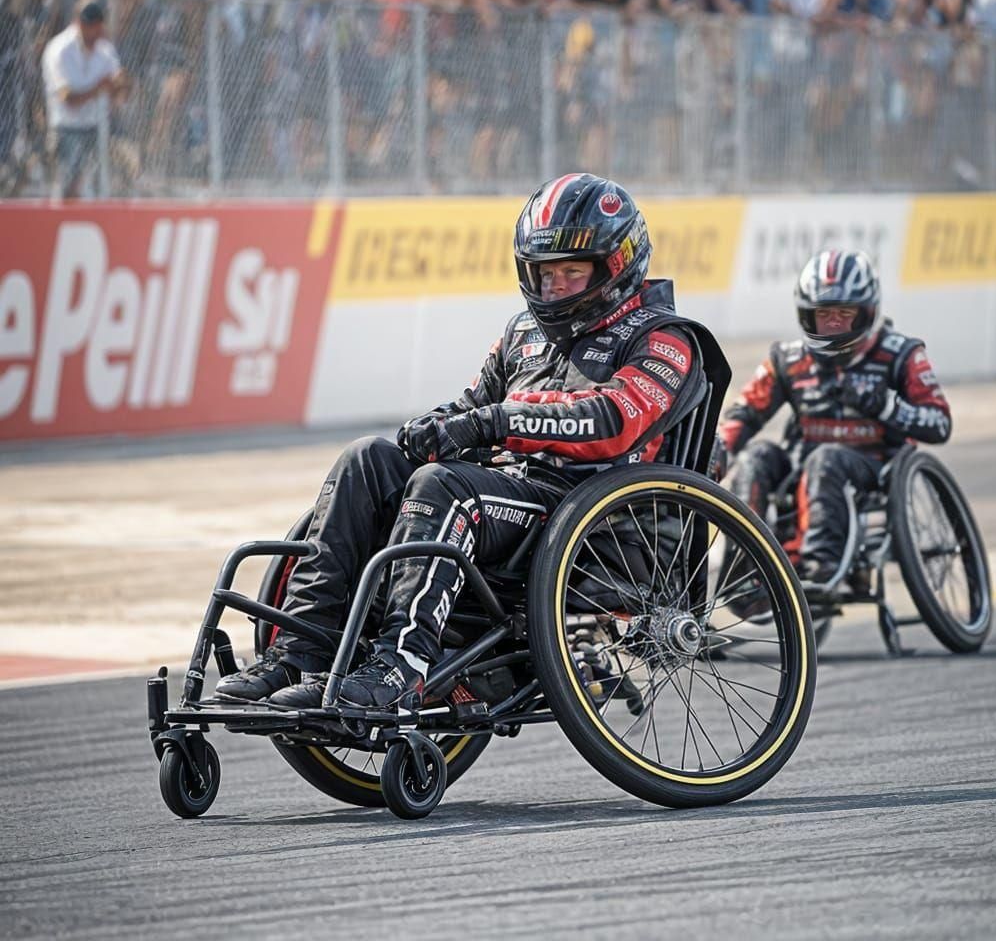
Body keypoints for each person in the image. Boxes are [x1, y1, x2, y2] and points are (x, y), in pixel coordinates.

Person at [216, 173, 726, 710]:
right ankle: (301, 649)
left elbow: (613, 419)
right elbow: (471, 405)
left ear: (616, 265)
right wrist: (435, 427)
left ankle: (400, 667)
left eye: (571, 274)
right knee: (367, 459)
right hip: (509, 505)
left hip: (590, 522)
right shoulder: (521, 334)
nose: (553, 289)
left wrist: (497, 422)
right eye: (543, 275)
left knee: (444, 486)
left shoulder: (665, 338)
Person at [718, 250, 951, 586]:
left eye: (846, 314)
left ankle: (818, 566)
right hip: (802, 467)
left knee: (826, 460)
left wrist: (886, 406)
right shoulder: (787, 359)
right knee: (755, 458)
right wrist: (719, 451)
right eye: (825, 315)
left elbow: (939, 422)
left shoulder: (901, 353)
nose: (836, 325)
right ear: (806, 316)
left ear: (868, 312)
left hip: (874, 468)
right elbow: (746, 411)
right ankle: (744, 569)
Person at [41, 0, 127, 200]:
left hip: (97, 128)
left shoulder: (105, 48)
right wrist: (100, 88)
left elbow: (120, 84)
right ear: (77, 21)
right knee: (67, 190)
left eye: (97, 25)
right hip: (66, 130)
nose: (94, 30)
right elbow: (68, 98)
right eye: (89, 25)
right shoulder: (59, 49)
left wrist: (120, 83)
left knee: (105, 185)